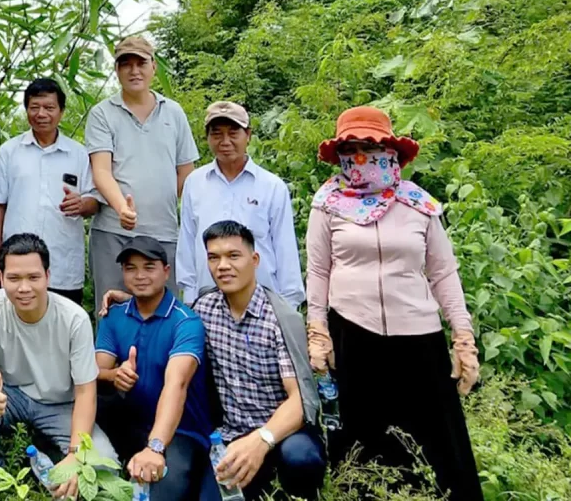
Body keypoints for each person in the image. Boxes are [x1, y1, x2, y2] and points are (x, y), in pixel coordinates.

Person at [306, 106, 481, 501]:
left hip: (418, 337)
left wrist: (463, 339)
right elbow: (318, 270)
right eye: (351, 148)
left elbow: (443, 273)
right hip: (354, 334)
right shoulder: (328, 203)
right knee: (363, 449)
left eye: (370, 146)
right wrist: (318, 331)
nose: (360, 156)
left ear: (390, 150)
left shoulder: (419, 204)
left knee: (436, 448)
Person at [0, 233, 114, 500]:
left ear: (48, 277)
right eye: (14, 278)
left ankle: (53, 451)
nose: (24, 288)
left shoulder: (73, 318)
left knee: (101, 464)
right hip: (14, 395)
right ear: (1, 277)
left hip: (62, 404)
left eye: (33, 277)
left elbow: (86, 391)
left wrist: (76, 454)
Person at [192, 221, 325, 500]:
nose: (223, 266)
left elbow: (299, 400)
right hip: (229, 436)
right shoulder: (205, 309)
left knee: (301, 458)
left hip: (283, 433)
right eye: (214, 257)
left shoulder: (280, 318)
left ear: (254, 260)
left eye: (233, 256)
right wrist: (131, 301)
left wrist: (262, 439)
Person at [93, 235, 217, 500]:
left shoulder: (186, 322)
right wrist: (114, 375)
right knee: (93, 399)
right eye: (131, 268)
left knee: (164, 492)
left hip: (181, 431)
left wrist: (156, 447)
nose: (140, 276)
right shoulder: (114, 316)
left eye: (149, 267)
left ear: (166, 271)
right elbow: (94, 372)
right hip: (133, 423)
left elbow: (177, 384)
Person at [85, 36, 199, 306]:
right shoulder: (102, 114)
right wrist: (122, 208)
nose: (134, 71)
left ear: (153, 67)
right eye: (126, 64)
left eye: (141, 63)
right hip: (113, 233)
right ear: (116, 70)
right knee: (113, 312)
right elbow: (101, 171)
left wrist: (159, 201)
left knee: (164, 314)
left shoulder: (174, 113)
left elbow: (186, 173)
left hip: (164, 234)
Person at [177, 102, 305, 306]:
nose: (225, 141)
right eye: (217, 134)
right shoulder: (195, 182)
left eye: (233, 133)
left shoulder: (271, 186)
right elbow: (187, 243)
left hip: (262, 303)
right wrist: (190, 300)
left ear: (248, 135)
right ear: (207, 137)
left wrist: (288, 307)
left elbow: (285, 249)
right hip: (207, 302)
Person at [0, 79, 98, 306]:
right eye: (34, 107)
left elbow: (94, 201)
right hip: (17, 265)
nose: (41, 114)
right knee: (15, 324)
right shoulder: (9, 152)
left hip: (63, 265)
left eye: (49, 107)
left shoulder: (78, 154)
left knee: (63, 324)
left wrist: (82, 204)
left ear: (61, 111)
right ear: (26, 110)